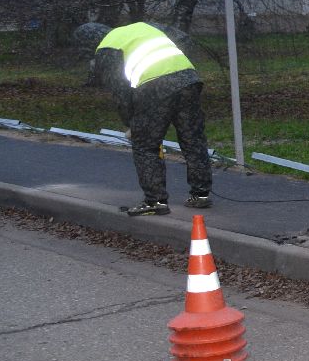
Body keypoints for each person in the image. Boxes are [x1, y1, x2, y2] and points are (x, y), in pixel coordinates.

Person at [74, 21, 213, 217]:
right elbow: (183, 38)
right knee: (193, 138)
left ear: (89, 42)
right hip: (188, 79)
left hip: (154, 87)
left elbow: (120, 92)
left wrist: (130, 124)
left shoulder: (106, 48)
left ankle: (155, 200)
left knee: (145, 145)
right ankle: (201, 195)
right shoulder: (142, 26)